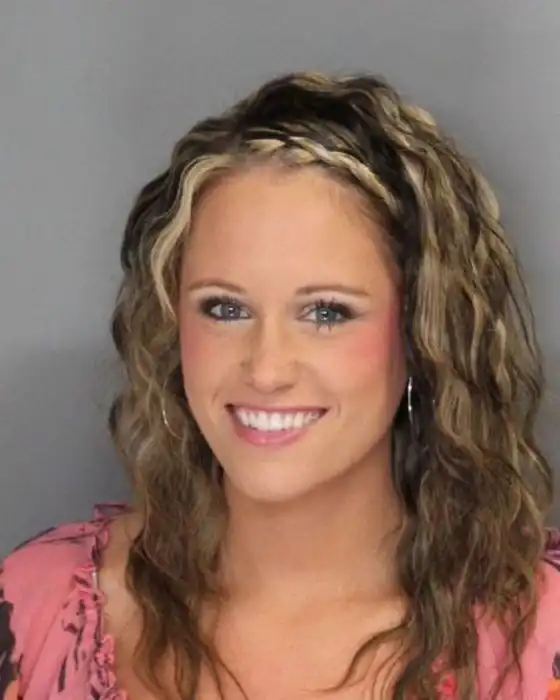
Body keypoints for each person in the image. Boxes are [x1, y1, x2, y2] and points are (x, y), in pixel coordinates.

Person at [0, 71, 558, 700]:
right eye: (225, 308)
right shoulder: (33, 611)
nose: (266, 370)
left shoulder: (545, 635)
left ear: (422, 337)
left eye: (326, 312)